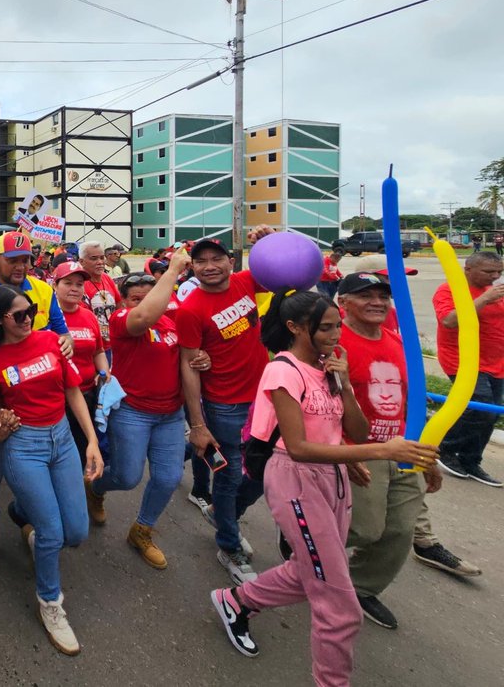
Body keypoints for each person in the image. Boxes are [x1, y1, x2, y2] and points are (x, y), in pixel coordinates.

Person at [209, 290, 437, 687]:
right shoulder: (283, 371)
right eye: (326, 328)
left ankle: (237, 600)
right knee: (340, 605)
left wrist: (344, 384)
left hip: (333, 477)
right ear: (296, 328)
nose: (336, 335)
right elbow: (297, 447)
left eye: (336, 326)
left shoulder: (328, 366)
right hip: (296, 480)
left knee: (309, 570)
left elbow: (356, 431)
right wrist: (385, 450)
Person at [0, 285, 102, 655]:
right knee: (52, 532)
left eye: (30, 310)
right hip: (24, 446)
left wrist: (92, 441)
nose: (28, 318)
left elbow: (73, 391)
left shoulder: (51, 341)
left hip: (63, 439)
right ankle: (50, 603)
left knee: (77, 533)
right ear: (1, 320)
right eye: (19, 314)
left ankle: (24, 515)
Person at [335, 272, 441, 631]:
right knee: (365, 529)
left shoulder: (400, 341)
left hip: (405, 448)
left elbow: (412, 399)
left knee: (399, 531)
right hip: (360, 449)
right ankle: (302, 537)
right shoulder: (334, 344)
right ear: (343, 302)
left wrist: (428, 454)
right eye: (365, 295)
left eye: (383, 296)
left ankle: (360, 587)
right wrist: (343, 454)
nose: (377, 302)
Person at [91, 253, 209, 569]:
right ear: (124, 301)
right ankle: (96, 488)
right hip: (132, 411)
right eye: (135, 298)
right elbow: (142, 317)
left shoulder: (173, 322)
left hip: (170, 414)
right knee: (127, 476)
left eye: (149, 295)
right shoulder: (121, 322)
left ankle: (141, 530)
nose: (143, 303)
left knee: (169, 477)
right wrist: (171, 272)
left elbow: (189, 361)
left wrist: (203, 360)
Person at [0, 230, 72, 574]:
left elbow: (59, 328)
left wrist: (65, 340)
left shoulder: (42, 290)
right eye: (13, 259)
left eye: (26, 259)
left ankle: (26, 514)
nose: (21, 266)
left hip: (39, 405)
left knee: (43, 475)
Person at [176, 235, 271, 584]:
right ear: (192, 267)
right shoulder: (191, 309)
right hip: (225, 406)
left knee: (266, 471)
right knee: (229, 475)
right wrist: (197, 424)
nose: (210, 266)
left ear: (231, 261)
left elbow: (287, 268)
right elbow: (188, 365)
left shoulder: (247, 283)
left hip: (266, 397)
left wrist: (270, 240)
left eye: (217, 258)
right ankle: (228, 543)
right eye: (201, 261)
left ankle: (223, 512)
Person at [433, 250, 504, 485]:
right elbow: (449, 321)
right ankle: (444, 447)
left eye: (499, 272)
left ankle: (471, 460)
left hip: (496, 363)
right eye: (488, 272)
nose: (494, 277)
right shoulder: (449, 290)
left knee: (491, 413)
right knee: (481, 407)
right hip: (463, 359)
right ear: (468, 269)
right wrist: (484, 299)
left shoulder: (494, 291)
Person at [51, 262, 109, 524]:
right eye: (68, 283)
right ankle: (55, 507)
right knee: (60, 457)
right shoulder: (44, 316)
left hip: (87, 395)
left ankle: (90, 495)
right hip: (54, 399)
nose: (75, 288)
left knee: (86, 449)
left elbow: (98, 350)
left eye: (79, 284)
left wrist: (105, 374)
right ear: (55, 285)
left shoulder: (87, 315)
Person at [78, 241, 122, 359]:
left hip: (114, 344)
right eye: (94, 258)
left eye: (102, 258)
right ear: (81, 261)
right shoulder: (79, 284)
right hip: (96, 349)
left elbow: (119, 305)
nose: (100, 262)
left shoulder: (107, 278)